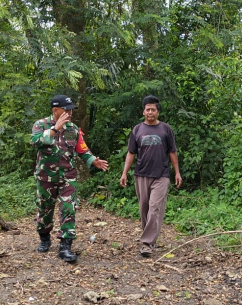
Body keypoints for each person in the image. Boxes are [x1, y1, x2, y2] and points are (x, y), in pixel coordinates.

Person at [32, 94, 109, 262]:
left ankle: (65, 247)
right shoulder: (41, 124)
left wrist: (93, 160)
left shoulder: (73, 129)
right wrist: (55, 129)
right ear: (56, 110)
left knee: (69, 208)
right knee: (45, 210)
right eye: (67, 110)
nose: (70, 113)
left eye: (71, 110)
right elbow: (36, 142)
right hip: (46, 177)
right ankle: (44, 238)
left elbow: (82, 149)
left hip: (68, 176)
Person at [119, 95, 182, 257]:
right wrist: (124, 173)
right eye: (147, 109)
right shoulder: (137, 130)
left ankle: (147, 243)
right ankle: (149, 239)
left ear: (158, 112)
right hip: (141, 174)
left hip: (161, 175)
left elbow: (172, 152)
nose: (150, 112)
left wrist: (177, 172)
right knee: (144, 209)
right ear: (143, 111)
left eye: (153, 109)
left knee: (154, 208)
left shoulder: (165, 129)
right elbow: (131, 153)